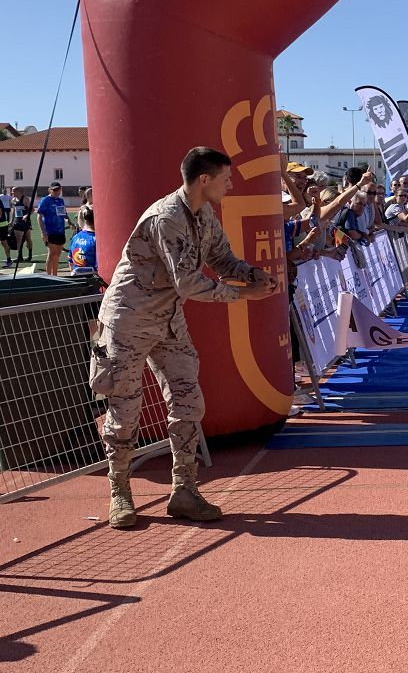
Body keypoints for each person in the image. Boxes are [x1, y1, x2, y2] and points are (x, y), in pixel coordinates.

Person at [91, 147, 276, 529]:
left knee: (188, 402)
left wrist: (252, 274)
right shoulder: (167, 218)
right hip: (129, 321)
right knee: (125, 413)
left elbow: (221, 258)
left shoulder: (204, 214)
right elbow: (188, 283)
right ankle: (120, 493)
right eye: (226, 178)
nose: (231, 184)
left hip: (168, 322)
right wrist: (243, 294)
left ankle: (184, 491)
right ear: (204, 180)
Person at [37, 182, 69, 276]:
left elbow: (64, 215)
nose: (56, 191)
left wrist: (70, 222)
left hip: (60, 231)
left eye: (58, 189)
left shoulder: (60, 201)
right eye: (54, 190)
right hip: (50, 231)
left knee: (57, 254)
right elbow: (39, 217)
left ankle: (55, 275)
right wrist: (43, 232)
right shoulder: (45, 200)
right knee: (51, 253)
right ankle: (48, 275)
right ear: (49, 190)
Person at [68, 206, 97, 275]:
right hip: (93, 281)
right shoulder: (96, 239)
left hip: (77, 280)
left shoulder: (75, 237)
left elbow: (70, 261)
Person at [8, 187, 32, 263]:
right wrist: (11, 221)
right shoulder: (13, 200)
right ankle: (20, 256)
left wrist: (27, 215)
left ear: (18, 191)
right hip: (17, 221)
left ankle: (30, 255)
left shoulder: (25, 199)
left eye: (13, 191)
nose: (12, 193)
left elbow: (32, 210)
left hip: (25, 221)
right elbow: (14, 210)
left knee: (28, 239)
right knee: (19, 240)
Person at [0, 187, 11, 268]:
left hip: (1, 225)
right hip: (3, 224)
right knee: (4, 242)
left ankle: (9, 260)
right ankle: (9, 260)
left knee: (4, 242)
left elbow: (0, 213)